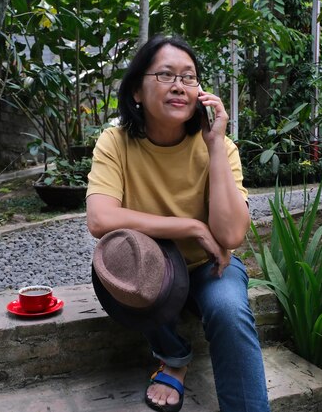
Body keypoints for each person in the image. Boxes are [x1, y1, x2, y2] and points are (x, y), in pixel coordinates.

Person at [86, 34, 270, 412]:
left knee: (230, 311)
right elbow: (100, 218)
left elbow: (232, 235)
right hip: (152, 266)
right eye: (166, 75)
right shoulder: (115, 142)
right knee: (117, 269)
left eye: (189, 78)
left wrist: (215, 144)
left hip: (209, 265)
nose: (179, 86)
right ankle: (174, 355)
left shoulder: (220, 146)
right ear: (137, 91)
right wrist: (191, 227)